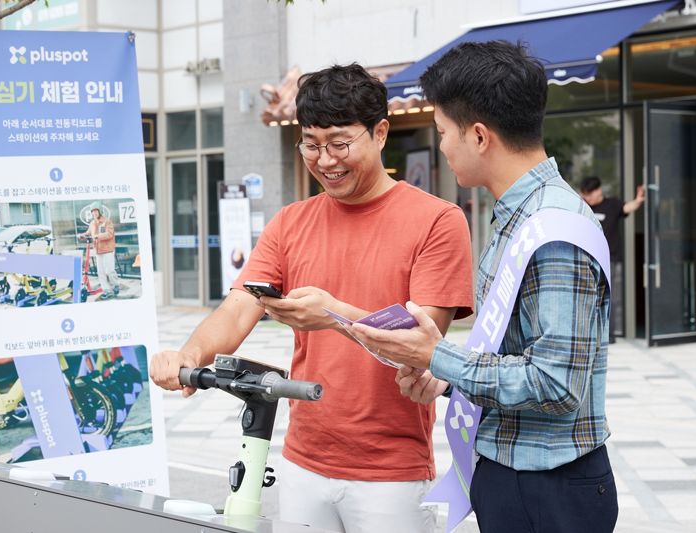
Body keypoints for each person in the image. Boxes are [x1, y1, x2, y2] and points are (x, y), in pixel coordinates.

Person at [151, 63, 474, 533]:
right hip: (302, 457)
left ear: (380, 133)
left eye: (340, 143)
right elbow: (241, 304)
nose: (325, 160)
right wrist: (188, 355)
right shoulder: (290, 222)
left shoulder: (437, 221)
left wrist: (333, 314)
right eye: (311, 144)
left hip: (390, 469)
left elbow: (423, 341)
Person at [349, 42, 618, 533]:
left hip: (550, 488)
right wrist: (447, 378)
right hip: (512, 474)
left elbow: (556, 385)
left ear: (478, 136)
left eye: (443, 133)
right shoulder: (518, 215)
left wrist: (440, 356)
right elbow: (514, 354)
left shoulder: (554, 229)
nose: (442, 147)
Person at [580, 176, 645, 343]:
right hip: (588, 258)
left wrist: (638, 200)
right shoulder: (582, 207)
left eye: (590, 194)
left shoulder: (613, 204)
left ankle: (609, 334)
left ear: (599, 190)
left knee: (611, 296)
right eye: (585, 194)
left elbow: (627, 207)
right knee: (588, 295)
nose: (588, 198)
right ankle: (590, 333)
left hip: (611, 259)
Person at [78, 201, 120, 300]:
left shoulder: (107, 221)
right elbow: (89, 232)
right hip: (98, 250)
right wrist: (83, 235)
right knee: (100, 272)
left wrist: (97, 236)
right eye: (92, 212)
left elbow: (109, 234)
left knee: (110, 271)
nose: (94, 213)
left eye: (96, 211)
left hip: (108, 250)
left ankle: (115, 285)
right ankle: (107, 290)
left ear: (100, 211)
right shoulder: (92, 223)